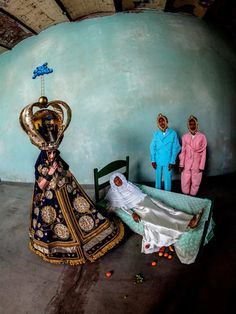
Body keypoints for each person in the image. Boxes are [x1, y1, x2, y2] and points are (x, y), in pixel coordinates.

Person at [20, 98, 124, 265]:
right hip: (50, 198)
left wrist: (62, 171)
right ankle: (60, 246)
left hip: (66, 192)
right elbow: (40, 185)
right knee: (53, 222)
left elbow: (67, 173)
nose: (53, 155)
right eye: (50, 152)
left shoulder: (57, 157)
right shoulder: (41, 162)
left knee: (80, 213)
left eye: (55, 151)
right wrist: (50, 174)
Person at [105, 172, 203, 255]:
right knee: (158, 216)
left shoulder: (128, 184)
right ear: (113, 183)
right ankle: (185, 225)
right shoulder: (115, 193)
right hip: (139, 207)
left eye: (119, 179)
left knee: (167, 209)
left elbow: (139, 193)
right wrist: (132, 214)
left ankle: (189, 219)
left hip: (146, 199)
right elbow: (123, 206)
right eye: (116, 181)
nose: (119, 181)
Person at [150, 113, 181, 191]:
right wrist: (153, 160)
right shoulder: (156, 134)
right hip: (158, 159)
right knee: (158, 178)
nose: (161, 123)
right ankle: (157, 194)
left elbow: (176, 147)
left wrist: (172, 161)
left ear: (166, 122)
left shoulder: (173, 133)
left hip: (168, 160)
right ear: (158, 123)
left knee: (168, 179)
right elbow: (152, 147)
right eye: (160, 121)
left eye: (163, 121)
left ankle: (168, 195)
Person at [179, 115, 207, 196]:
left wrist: (201, 166)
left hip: (197, 163)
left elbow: (204, 152)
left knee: (196, 180)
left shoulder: (202, 137)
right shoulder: (185, 137)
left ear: (196, 125)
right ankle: (185, 194)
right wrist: (181, 164)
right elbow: (183, 151)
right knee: (185, 179)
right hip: (187, 162)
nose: (192, 126)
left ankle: (193, 195)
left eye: (194, 124)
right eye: (190, 124)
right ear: (188, 125)